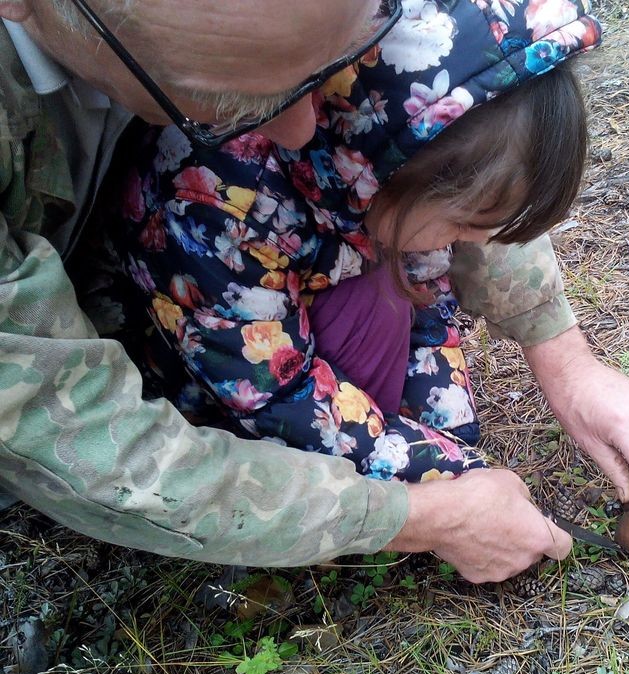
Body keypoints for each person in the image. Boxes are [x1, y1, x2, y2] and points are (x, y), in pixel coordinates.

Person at [0, 0, 629, 590]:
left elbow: (441, 261)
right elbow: (266, 399)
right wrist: (430, 506)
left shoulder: (369, 147)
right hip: (202, 361)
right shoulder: (209, 207)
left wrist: (518, 400)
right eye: (235, 100)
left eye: (325, 75)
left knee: (393, 291)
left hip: (265, 310)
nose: (306, 124)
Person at [98, 1, 594, 493]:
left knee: (394, 291)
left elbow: (427, 308)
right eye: (465, 223)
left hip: (278, 311)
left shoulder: (366, 171)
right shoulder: (212, 207)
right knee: (377, 301)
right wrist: (451, 482)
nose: (477, 243)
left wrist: (451, 445)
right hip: (201, 387)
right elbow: (279, 400)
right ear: (399, 169)